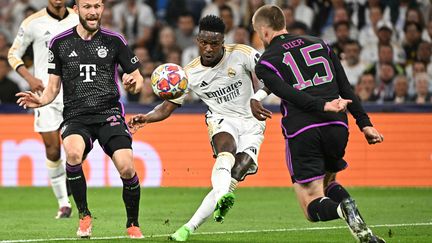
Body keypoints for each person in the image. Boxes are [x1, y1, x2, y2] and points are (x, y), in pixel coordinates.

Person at [128, 15, 269, 242]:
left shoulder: (242, 53)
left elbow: (273, 74)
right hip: (222, 119)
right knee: (225, 152)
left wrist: (258, 96)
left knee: (237, 173)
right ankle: (224, 196)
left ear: (223, 41)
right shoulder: (189, 74)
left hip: (253, 122)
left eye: (215, 43)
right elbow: (166, 108)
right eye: (204, 42)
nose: (209, 48)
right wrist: (147, 118)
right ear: (197, 40)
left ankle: (188, 227)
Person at [251, 5, 385, 243]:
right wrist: (365, 124)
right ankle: (367, 237)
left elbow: (287, 93)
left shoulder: (266, 62)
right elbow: (346, 87)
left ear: (263, 31)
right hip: (337, 127)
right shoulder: (320, 44)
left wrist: (322, 106)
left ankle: (341, 209)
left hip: (303, 131)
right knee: (330, 181)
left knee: (311, 202)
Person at [16, 0, 144, 239]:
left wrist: (134, 83)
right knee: (73, 154)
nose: (93, 11)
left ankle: (132, 224)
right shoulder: (60, 43)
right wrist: (41, 101)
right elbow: (53, 88)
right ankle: (84, 216)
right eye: (87, 6)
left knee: (127, 167)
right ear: (77, 10)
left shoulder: (115, 41)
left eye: (97, 6)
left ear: (103, 8)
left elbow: (137, 77)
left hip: (109, 114)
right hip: (76, 116)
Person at [8, 0, 78, 219]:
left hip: (74, 94)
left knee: (77, 149)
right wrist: (29, 78)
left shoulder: (79, 18)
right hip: (45, 95)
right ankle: (63, 203)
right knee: (53, 150)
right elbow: (13, 54)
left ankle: (69, 182)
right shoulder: (32, 23)